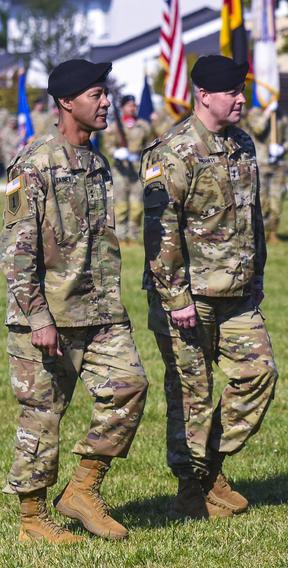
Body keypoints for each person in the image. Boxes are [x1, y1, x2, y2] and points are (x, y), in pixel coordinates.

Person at [3, 59, 148, 543]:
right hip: (45, 317)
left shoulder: (97, 163)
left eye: (105, 94)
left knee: (129, 387)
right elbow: (16, 251)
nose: (105, 102)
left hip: (99, 311)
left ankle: (83, 490)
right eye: (95, 94)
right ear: (66, 102)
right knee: (42, 416)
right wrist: (37, 316)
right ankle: (32, 520)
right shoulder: (32, 163)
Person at [141, 55, 278, 520]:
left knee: (260, 375)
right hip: (188, 297)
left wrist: (256, 278)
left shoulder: (242, 144)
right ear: (204, 94)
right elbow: (161, 233)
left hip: (237, 295)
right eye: (232, 92)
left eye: (242, 90)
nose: (242, 99)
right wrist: (176, 297)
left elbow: (251, 218)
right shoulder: (173, 152)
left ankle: (211, 466)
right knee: (191, 395)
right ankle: (191, 487)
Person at [102, 94, 154, 245]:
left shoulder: (143, 125)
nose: (132, 108)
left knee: (137, 205)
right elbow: (108, 145)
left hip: (137, 168)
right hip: (120, 170)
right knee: (121, 205)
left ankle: (134, 236)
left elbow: (149, 145)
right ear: (123, 107)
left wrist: (142, 156)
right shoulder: (114, 126)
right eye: (129, 105)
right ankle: (121, 236)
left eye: (134, 105)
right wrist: (115, 152)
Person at [244, 103, 288, 243]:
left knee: (277, 201)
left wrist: (282, 148)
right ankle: (261, 234)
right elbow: (258, 129)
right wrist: (267, 113)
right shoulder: (254, 113)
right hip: (261, 163)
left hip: (277, 164)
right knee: (262, 201)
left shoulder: (280, 114)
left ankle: (273, 233)